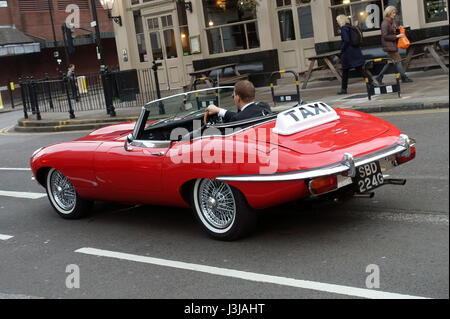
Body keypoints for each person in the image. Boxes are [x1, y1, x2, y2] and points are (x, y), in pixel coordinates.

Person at [336, 15, 374, 95]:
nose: (337, 22)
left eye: (338, 21)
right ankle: (371, 83)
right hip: (355, 51)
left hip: (348, 53)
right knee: (360, 69)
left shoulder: (343, 29)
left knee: (345, 71)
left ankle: (344, 89)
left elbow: (346, 40)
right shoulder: (351, 27)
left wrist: (342, 49)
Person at [376, 5, 413, 85]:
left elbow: (391, 32)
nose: (394, 14)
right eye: (393, 13)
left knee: (390, 62)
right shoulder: (385, 23)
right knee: (398, 61)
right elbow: (385, 36)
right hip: (389, 46)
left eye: (395, 13)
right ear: (388, 13)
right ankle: (403, 77)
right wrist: (397, 36)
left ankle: (379, 76)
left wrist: (399, 30)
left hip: (391, 44)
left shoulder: (390, 21)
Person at [205, 80, 271, 123]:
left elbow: (240, 116)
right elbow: (245, 114)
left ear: (238, 98)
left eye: (233, 96)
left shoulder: (237, 119)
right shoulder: (265, 106)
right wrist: (219, 110)